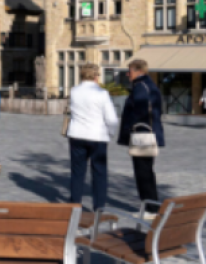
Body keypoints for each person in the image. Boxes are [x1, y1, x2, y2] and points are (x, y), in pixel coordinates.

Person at [68, 63, 120, 214]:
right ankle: (99, 206)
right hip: (97, 136)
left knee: (77, 172)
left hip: (77, 134)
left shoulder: (74, 91)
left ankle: (75, 204)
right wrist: (110, 132)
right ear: (96, 76)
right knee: (99, 173)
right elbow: (111, 118)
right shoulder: (101, 93)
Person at [117, 59, 165, 218]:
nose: (127, 74)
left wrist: (130, 128)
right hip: (149, 133)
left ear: (139, 71)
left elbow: (141, 112)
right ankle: (151, 206)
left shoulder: (141, 87)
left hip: (142, 135)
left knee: (143, 173)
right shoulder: (148, 85)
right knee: (147, 172)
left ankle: (150, 209)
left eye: (129, 70)